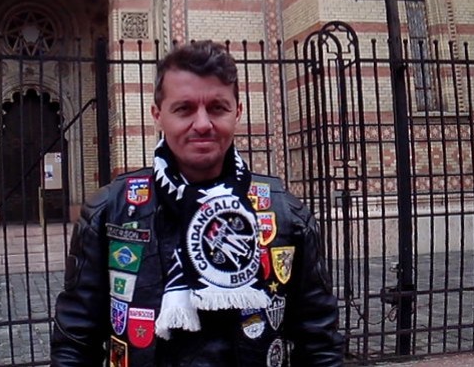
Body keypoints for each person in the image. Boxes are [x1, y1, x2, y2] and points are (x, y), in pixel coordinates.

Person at [51, 40, 344, 367]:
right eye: (184, 109)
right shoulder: (110, 211)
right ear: (158, 115)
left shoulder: (285, 215)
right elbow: (75, 342)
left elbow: (319, 341)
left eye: (217, 108)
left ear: (237, 112)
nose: (202, 123)